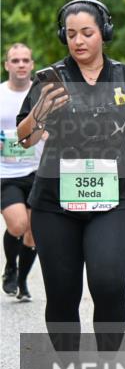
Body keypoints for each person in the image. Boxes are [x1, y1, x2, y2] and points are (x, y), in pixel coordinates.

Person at [16, 0, 125, 352]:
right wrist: (40, 111)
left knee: (109, 284)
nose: (78, 40)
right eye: (71, 33)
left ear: (104, 33)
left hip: (111, 200)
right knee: (63, 295)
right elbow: (25, 139)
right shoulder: (52, 78)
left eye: (87, 32)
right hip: (53, 203)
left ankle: (106, 365)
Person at [2, 43, 42, 300]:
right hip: (5, 172)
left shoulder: (41, 95)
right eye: (15, 60)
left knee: (34, 231)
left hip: (37, 170)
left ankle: (23, 280)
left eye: (25, 60)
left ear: (32, 65)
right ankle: (10, 267)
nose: (20, 65)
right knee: (18, 224)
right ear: (7, 65)